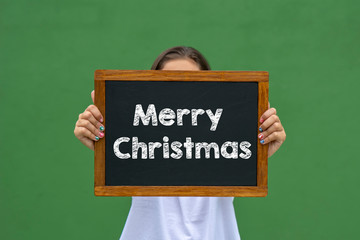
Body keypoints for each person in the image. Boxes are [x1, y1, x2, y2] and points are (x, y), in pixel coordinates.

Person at [74, 46, 286, 240]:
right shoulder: (139, 136)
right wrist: (103, 145)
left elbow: (236, 159)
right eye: (170, 83)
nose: (181, 95)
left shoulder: (228, 138)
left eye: (190, 83)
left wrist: (259, 153)